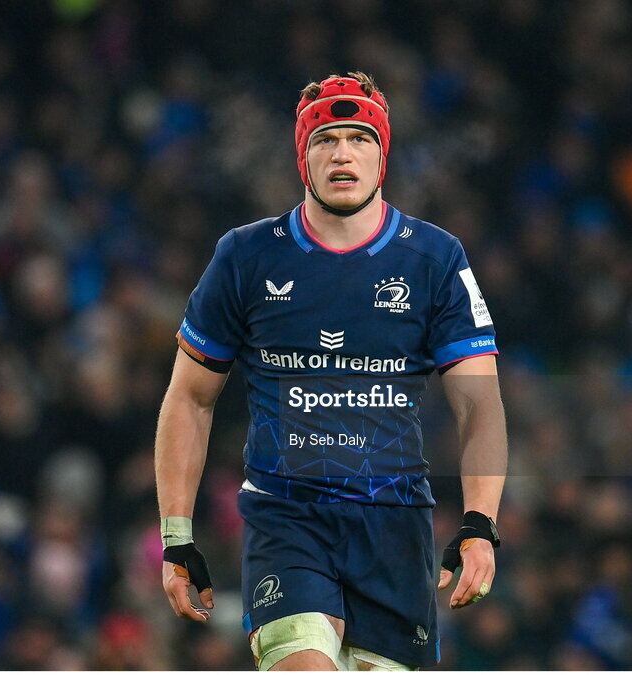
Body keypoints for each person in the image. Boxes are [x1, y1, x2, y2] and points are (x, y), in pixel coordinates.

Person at [155, 72, 508, 671]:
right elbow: (190, 398)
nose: (343, 153)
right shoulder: (245, 256)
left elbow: (480, 403)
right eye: (325, 140)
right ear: (304, 159)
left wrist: (480, 522)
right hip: (286, 519)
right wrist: (176, 536)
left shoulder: (435, 259)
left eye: (360, 138)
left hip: (394, 528)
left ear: (382, 157)